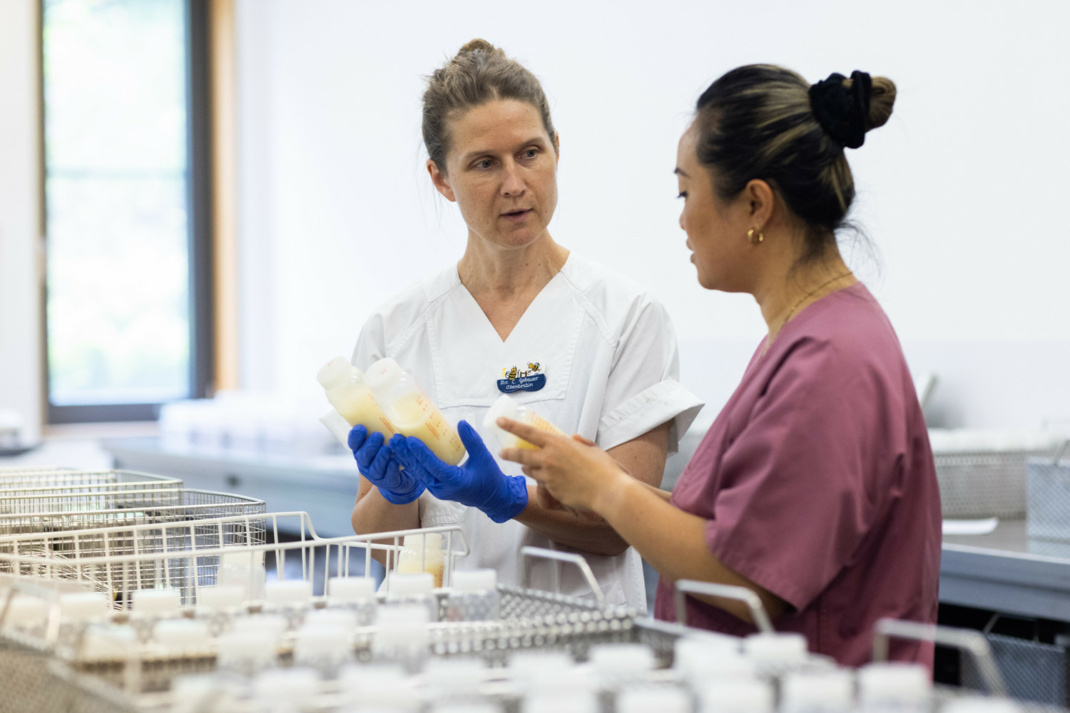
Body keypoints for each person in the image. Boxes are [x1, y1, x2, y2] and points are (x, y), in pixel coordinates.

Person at [493, 65, 941, 667]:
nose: (681, 218)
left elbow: (749, 579)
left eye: (686, 192)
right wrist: (601, 480)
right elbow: (745, 523)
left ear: (755, 203)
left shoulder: (831, 360)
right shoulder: (806, 335)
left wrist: (607, 489)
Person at [347, 39, 703, 610]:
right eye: (485, 163)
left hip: (581, 657)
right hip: (440, 652)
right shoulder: (394, 331)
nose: (514, 183)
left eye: (530, 153)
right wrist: (395, 493)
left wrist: (506, 497)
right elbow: (387, 548)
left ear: (557, 150)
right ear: (442, 178)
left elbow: (624, 527)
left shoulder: (627, 317)